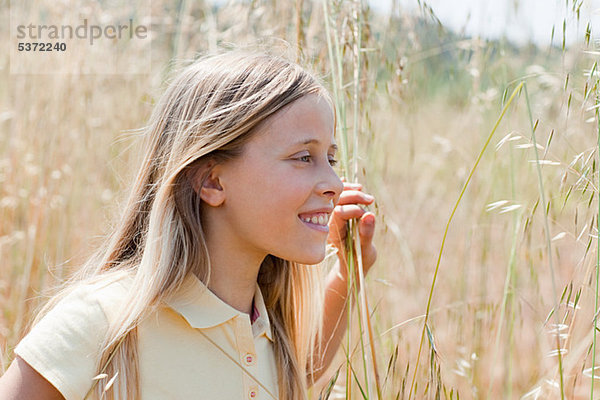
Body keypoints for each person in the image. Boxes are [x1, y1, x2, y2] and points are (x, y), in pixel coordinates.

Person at [0, 50, 377, 400]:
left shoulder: (264, 327)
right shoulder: (103, 320)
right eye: (303, 157)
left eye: (331, 158)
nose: (334, 183)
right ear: (212, 182)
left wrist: (349, 273)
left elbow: (299, 368)